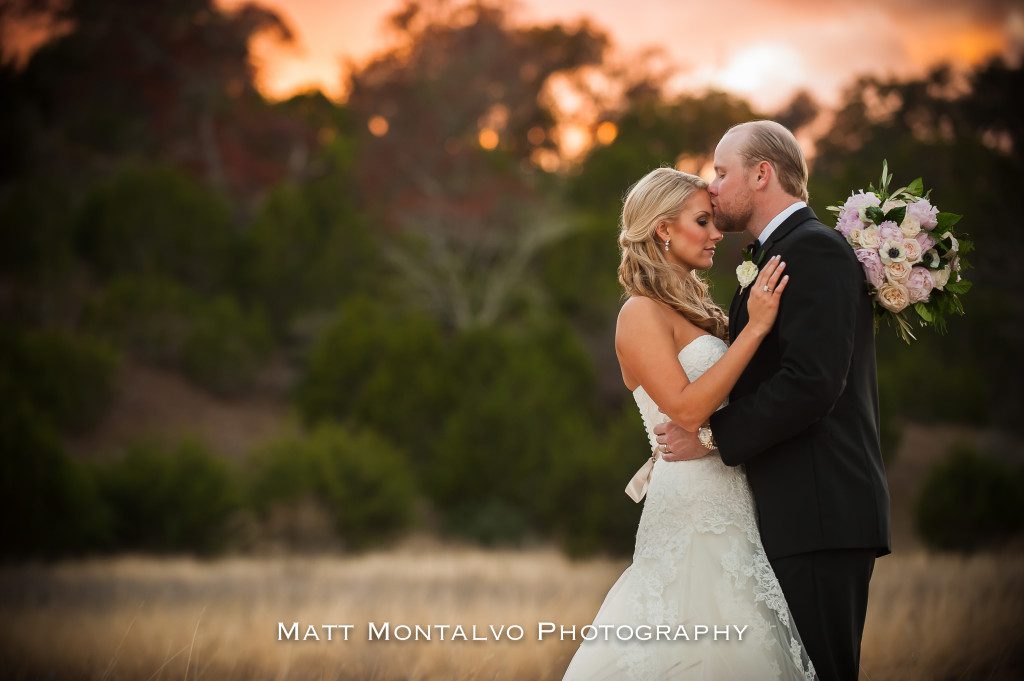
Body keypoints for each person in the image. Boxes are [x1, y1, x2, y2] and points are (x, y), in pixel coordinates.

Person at [653, 120, 892, 681]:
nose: (712, 189)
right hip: (792, 512)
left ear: (762, 174)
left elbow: (811, 382)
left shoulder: (816, 251)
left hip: (820, 509)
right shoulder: (774, 253)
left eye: (721, 173)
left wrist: (711, 436)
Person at [560, 165, 816, 681]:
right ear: (662, 228)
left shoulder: (696, 307)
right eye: (703, 220)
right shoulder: (639, 313)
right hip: (691, 503)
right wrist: (757, 328)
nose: (717, 232)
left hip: (732, 492)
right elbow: (688, 408)